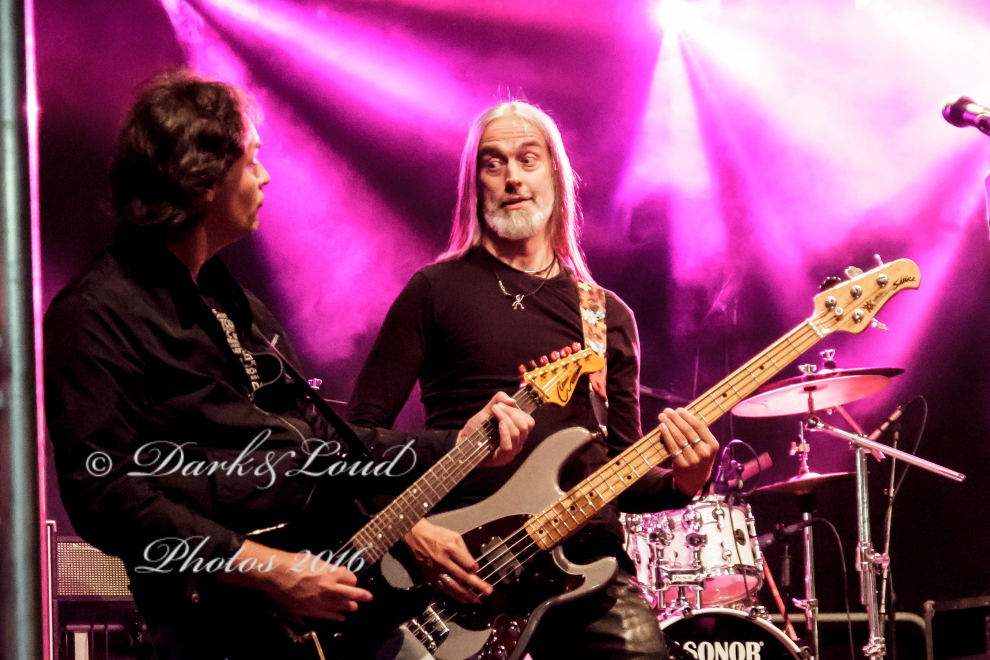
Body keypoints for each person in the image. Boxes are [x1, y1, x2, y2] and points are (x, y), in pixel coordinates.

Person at [43, 71, 533, 660]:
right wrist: (271, 571)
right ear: (204, 180)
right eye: (251, 160)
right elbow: (104, 493)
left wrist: (458, 445)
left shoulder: (236, 305)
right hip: (223, 627)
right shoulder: (95, 312)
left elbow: (323, 445)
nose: (265, 175)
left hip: (327, 609)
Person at [348, 101, 719, 659]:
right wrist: (409, 531)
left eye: (528, 159)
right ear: (475, 185)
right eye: (493, 163)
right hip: (460, 574)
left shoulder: (605, 315)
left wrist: (683, 482)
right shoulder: (434, 291)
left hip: (586, 568)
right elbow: (357, 437)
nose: (513, 178)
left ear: (556, 176)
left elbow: (619, 470)